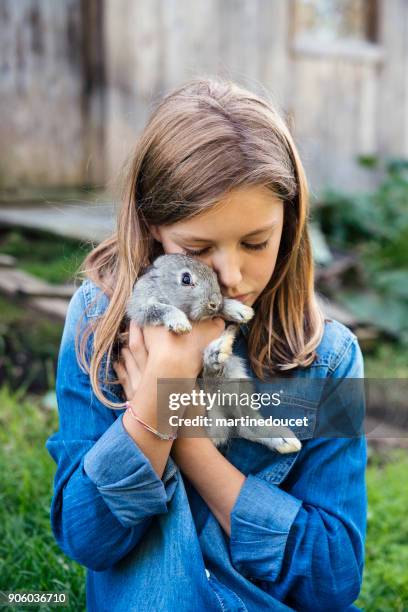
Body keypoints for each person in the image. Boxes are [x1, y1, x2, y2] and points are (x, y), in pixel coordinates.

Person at [46, 77, 367, 611]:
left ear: (289, 223)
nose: (231, 276)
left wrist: (186, 432)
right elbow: (89, 538)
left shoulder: (327, 359)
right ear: (153, 228)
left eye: (256, 243)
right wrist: (153, 401)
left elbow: (332, 580)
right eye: (197, 247)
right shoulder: (100, 327)